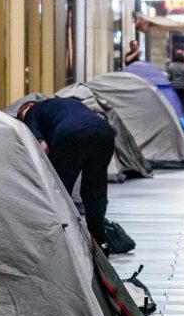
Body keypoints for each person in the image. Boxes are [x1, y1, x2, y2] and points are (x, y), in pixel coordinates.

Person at [16, 97, 116, 246]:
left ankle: (64, 239)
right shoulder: (64, 103)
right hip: (104, 131)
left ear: (27, 107)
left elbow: (42, 147)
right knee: (95, 189)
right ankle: (100, 240)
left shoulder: (31, 113)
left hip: (70, 135)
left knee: (61, 191)